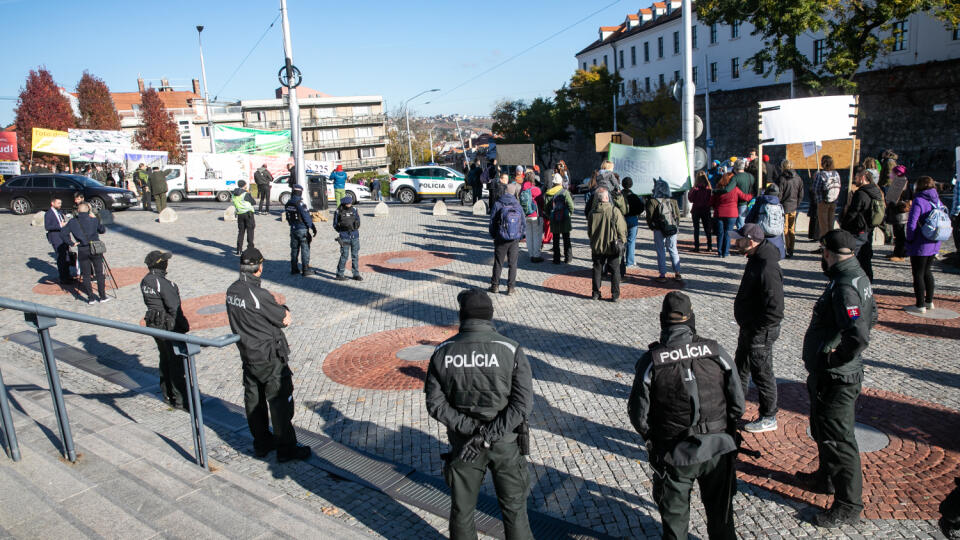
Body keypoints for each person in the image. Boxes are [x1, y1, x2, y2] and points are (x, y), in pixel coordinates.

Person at [628, 291, 744, 540]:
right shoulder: (716, 352)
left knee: (675, 524)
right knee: (722, 518)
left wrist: (654, 441)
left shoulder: (652, 361)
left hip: (674, 454)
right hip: (718, 448)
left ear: (662, 320)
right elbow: (738, 403)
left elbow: (639, 416)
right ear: (691, 318)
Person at [424, 288, 534, 540]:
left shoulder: (442, 352)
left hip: (464, 445)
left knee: (462, 511)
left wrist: (472, 432)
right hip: (505, 443)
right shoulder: (511, 350)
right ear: (490, 316)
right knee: (515, 511)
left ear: (462, 316)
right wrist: (487, 435)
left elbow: (436, 404)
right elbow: (522, 405)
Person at [799, 229, 876, 526]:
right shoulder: (857, 275)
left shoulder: (845, 285)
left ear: (828, 253)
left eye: (822, 252)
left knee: (839, 441)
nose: (822, 257)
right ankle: (825, 478)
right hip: (829, 375)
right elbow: (874, 314)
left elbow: (858, 334)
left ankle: (848, 504)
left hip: (837, 378)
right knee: (822, 429)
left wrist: (835, 357)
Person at [225, 248, 312, 462]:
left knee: (254, 401)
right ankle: (287, 449)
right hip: (269, 356)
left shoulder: (232, 291)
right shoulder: (259, 295)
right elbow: (284, 319)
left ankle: (262, 443)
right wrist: (285, 309)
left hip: (248, 354)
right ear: (259, 268)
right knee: (280, 403)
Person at [732, 223, 784, 433]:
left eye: (740, 239)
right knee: (740, 369)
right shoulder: (755, 257)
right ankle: (735, 408)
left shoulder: (767, 266)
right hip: (749, 328)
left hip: (759, 332)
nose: (736, 242)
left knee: (762, 373)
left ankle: (769, 416)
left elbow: (775, 309)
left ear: (751, 241)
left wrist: (757, 329)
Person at [140, 250, 190, 410]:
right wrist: (183, 326)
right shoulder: (165, 284)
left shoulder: (146, 280)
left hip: (154, 323)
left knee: (165, 358)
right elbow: (174, 308)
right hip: (168, 326)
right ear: (161, 264)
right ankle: (181, 398)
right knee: (175, 362)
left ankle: (167, 392)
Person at [905, 176, 945, 313]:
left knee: (918, 273)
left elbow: (911, 223)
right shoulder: (937, 200)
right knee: (927, 271)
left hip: (920, 243)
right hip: (934, 241)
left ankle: (920, 304)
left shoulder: (919, 200)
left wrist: (909, 239)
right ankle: (929, 302)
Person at [840, 169, 884, 282]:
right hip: (869, 228)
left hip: (859, 229)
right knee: (865, 257)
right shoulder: (875, 190)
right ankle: (868, 279)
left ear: (863, 178)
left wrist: (843, 225)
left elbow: (853, 212)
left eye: (857, 177)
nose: (855, 179)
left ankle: (853, 281)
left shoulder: (861, 193)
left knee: (853, 257)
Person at [588, 188, 627, 301]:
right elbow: (621, 228)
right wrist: (622, 242)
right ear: (606, 198)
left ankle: (595, 293)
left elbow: (590, 231)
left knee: (597, 269)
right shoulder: (614, 211)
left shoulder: (592, 212)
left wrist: (593, 240)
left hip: (597, 246)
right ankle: (615, 295)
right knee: (615, 270)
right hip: (612, 246)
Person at [65, 202, 108, 304]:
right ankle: (102, 296)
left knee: (86, 275)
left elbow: (63, 234)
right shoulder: (93, 220)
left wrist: (71, 243)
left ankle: (91, 298)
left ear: (78, 211)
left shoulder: (72, 222)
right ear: (88, 210)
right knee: (99, 273)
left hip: (82, 249)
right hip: (95, 248)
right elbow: (102, 230)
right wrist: (96, 218)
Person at [489, 182, 525, 295]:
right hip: (514, 239)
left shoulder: (498, 203)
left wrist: (494, 235)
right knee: (512, 263)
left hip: (501, 237)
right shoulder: (517, 204)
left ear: (505, 191)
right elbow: (523, 223)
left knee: (498, 262)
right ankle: (510, 288)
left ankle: (495, 286)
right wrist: (521, 236)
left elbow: (492, 222)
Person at [645, 179, 682, 283]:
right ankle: (677, 273)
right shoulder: (673, 201)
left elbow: (649, 217)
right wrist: (675, 226)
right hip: (672, 228)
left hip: (658, 229)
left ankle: (662, 275)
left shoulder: (652, 201)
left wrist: (652, 227)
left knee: (661, 251)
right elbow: (678, 216)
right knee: (673, 249)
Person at [712, 173, 752, 258]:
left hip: (719, 213)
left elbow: (711, 202)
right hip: (731, 213)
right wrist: (752, 194)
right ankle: (725, 252)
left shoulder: (717, 190)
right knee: (728, 233)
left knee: (720, 233)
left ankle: (719, 252)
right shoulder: (735, 189)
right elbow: (745, 197)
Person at [745, 184, 786, 260]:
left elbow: (749, 219)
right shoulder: (779, 205)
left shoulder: (760, 202)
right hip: (776, 238)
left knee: (759, 259)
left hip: (761, 237)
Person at [284, 185, 317, 277]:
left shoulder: (288, 203)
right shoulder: (300, 203)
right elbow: (306, 217)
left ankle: (294, 268)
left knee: (294, 249)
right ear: (300, 192)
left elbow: (288, 217)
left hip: (293, 229)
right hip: (302, 229)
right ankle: (305, 269)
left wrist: (292, 225)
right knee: (305, 249)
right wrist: (313, 227)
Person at [776, 160, 804, 258]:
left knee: (785, 229)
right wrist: (797, 204)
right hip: (794, 206)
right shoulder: (798, 178)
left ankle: (786, 248)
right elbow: (801, 194)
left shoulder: (782, 178)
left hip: (784, 206)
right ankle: (791, 248)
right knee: (791, 229)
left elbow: (779, 194)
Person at [544, 173, 574, 264]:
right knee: (566, 239)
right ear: (561, 182)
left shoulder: (548, 193)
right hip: (565, 218)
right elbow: (571, 206)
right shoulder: (565, 192)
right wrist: (568, 214)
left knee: (556, 240)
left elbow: (546, 208)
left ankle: (556, 259)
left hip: (554, 218)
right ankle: (568, 258)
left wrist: (550, 216)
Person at [812, 155, 841, 244]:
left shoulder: (821, 174)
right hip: (834, 201)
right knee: (830, 223)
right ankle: (831, 242)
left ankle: (824, 245)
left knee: (823, 225)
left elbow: (815, 189)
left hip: (823, 201)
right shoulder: (836, 173)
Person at [333, 195, 362, 281]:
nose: (349, 204)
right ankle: (339, 274)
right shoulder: (338, 211)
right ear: (344, 203)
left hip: (355, 236)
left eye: (350, 203)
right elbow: (335, 225)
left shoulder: (355, 210)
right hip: (344, 237)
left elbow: (358, 221)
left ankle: (356, 274)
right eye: (348, 203)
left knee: (355, 255)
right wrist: (341, 232)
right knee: (344, 255)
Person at [44, 196, 73, 284]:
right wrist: (60, 225)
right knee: (61, 257)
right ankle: (63, 277)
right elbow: (47, 227)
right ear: (52, 203)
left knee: (67, 256)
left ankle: (67, 275)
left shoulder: (59, 212)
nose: (60, 205)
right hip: (56, 238)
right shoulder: (48, 214)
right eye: (58, 203)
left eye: (60, 203)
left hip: (63, 236)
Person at [888, 165, 912, 262]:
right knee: (898, 233)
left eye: (892, 173)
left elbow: (892, 199)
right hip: (900, 212)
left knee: (899, 234)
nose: (890, 174)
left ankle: (900, 254)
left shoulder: (900, 182)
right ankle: (897, 252)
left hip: (899, 213)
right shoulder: (904, 181)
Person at [519, 171, 543, 263]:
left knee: (529, 235)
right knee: (537, 235)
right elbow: (541, 202)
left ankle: (531, 254)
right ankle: (536, 255)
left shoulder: (522, 189)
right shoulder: (535, 189)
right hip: (535, 215)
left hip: (525, 215)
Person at [622, 177, 645, 270]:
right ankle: (629, 262)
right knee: (631, 241)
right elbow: (641, 208)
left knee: (621, 240)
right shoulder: (635, 196)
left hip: (622, 219)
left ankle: (620, 260)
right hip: (633, 219)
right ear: (631, 185)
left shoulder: (620, 196)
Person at [687, 172, 713, 253]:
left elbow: (691, 199)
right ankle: (709, 246)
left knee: (696, 229)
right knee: (707, 229)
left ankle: (697, 247)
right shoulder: (709, 188)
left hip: (696, 210)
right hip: (706, 209)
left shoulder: (695, 188)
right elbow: (711, 199)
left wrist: (691, 191)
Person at [232, 180, 257, 256]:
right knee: (250, 231)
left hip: (240, 214)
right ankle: (250, 249)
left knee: (241, 232)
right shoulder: (245, 194)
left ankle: (239, 250)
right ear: (244, 185)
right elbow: (253, 202)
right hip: (248, 214)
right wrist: (249, 194)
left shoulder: (234, 194)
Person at [731, 160, 756, 228]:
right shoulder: (750, 176)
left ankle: (742, 237)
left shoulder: (735, 177)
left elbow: (729, 189)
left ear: (735, 168)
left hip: (740, 203)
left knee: (741, 224)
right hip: (750, 201)